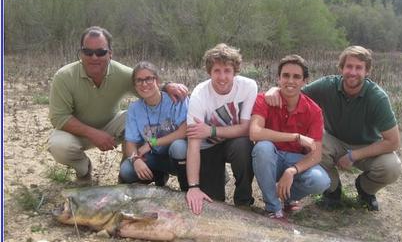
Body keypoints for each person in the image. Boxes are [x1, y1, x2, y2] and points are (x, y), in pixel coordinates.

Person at [265, 46, 402, 211]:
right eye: (349, 66)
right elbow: (295, 92)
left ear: (367, 71)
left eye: (359, 68)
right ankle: (332, 191)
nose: (353, 72)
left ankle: (365, 190)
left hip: (366, 146)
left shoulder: (377, 98)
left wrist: (354, 155)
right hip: (333, 140)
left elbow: (393, 142)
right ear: (341, 68)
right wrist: (274, 90)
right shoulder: (327, 85)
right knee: (314, 144)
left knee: (392, 167)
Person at [48, 26, 187, 185]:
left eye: (101, 52)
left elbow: (146, 84)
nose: (94, 57)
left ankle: (129, 171)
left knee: (135, 117)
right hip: (76, 132)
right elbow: (58, 117)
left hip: (111, 125)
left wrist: (168, 86)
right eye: (88, 52)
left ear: (110, 53)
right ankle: (84, 171)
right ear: (81, 53)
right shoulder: (64, 76)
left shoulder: (121, 73)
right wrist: (94, 134)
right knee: (59, 146)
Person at [250, 55, 330, 221]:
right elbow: (255, 133)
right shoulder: (264, 99)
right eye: (286, 75)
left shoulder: (314, 111)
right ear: (278, 79)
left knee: (321, 181)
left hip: (294, 160)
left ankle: (287, 197)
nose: (290, 81)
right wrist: (295, 137)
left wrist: (292, 170)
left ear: (304, 81)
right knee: (262, 148)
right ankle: (273, 208)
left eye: (296, 77)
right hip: (270, 157)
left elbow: (316, 154)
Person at [185, 43, 257, 215]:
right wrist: (193, 187)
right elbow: (193, 143)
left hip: (234, 142)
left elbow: (246, 129)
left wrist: (212, 131)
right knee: (213, 202)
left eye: (227, 70)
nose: (222, 77)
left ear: (235, 71)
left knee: (244, 145)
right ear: (209, 72)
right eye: (217, 71)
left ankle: (243, 200)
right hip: (208, 147)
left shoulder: (248, 87)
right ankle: (214, 180)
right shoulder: (199, 95)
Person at [118, 61, 189, 190]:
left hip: (178, 158)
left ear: (157, 80)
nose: (144, 84)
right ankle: (158, 176)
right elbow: (130, 143)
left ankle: (186, 189)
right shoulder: (134, 108)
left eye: (149, 79)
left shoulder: (175, 99)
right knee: (127, 170)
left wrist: (152, 143)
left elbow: (184, 131)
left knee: (179, 146)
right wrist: (135, 160)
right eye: (139, 80)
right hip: (155, 158)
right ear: (134, 85)